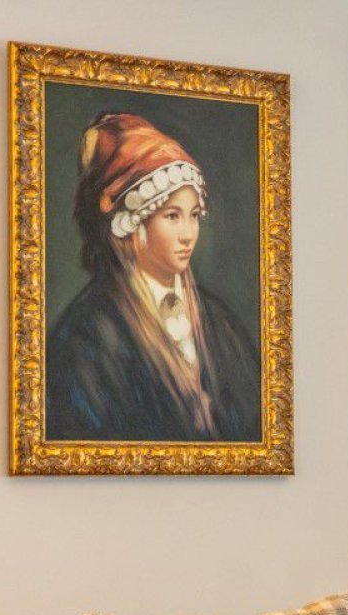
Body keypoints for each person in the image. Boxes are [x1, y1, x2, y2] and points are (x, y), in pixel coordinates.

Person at [46, 112, 260, 442]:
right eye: (172, 216)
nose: (188, 234)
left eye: (194, 216)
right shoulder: (87, 333)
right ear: (133, 224)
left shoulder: (220, 322)